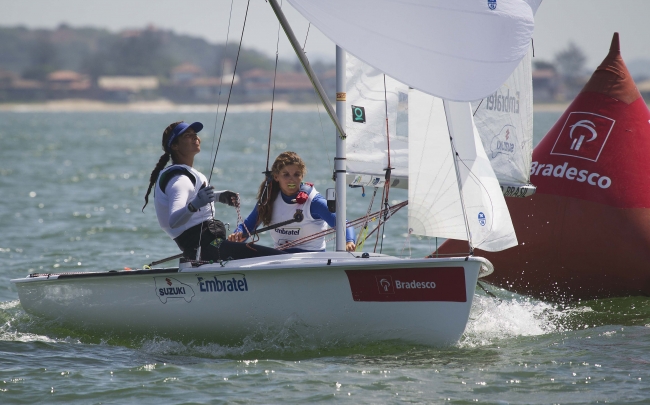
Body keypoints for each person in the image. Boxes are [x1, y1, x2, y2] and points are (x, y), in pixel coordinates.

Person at [143, 121, 285, 262]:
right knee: (277, 258)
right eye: (187, 135)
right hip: (205, 249)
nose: (195, 138)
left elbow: (193, 197)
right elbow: (174, 221)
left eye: (195, 134)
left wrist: (218, 197)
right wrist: (195, 204)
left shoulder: (187, 174)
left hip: (209, 248)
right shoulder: (180, 180)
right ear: (174, 145)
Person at [228, 151, 356, 253]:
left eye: (296, 174)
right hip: (280, 259)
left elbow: (343, 224)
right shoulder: (268, 199)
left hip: (312, 260)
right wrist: (236, 235)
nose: (292, 180)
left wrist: (349, 241)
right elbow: (247, 226)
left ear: (302, 176)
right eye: (286, 174)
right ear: (276, 177)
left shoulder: (314, 201)